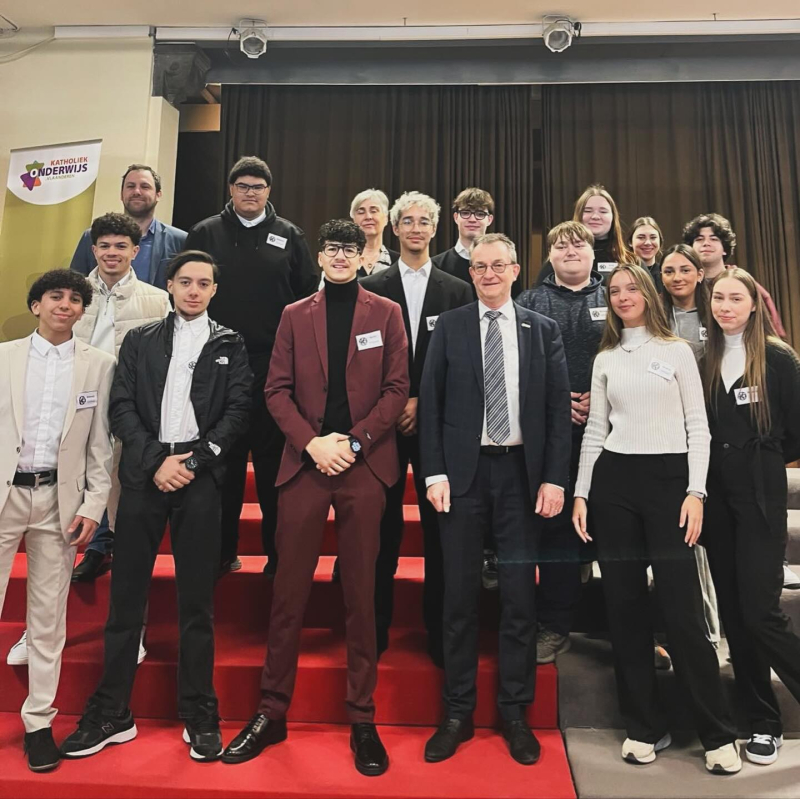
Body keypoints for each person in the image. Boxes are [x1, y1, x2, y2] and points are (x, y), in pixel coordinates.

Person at [221, 220, 409, 776]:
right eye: (331, 248)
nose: (341, 256)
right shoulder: (294, 314)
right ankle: (271, 710)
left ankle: (363, 716)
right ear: (320, 256)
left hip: (364, 464)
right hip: (305, 463)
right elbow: (275, 389)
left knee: (361, 592)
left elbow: (397, 388)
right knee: (288, 592)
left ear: (362, 257)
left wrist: (353, 442)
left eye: (350, 249)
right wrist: (312, 443)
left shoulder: (387, 313)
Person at [60, 251, 252, 763]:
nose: (194, 290)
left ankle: (199, 711)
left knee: (197, 604)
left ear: (214, 290)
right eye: (185, 281)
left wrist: (194, 461)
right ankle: (111, 712)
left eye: (204, 283)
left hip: (200, 478)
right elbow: (120, 406)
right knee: (125, 601)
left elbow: (238, 411)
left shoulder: (230, 343)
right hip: (144, 476)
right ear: (169, 285)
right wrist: (154, 461)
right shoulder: (140, 340)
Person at [571, 264, 740, 774]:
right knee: (624, 611)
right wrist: (582, 493)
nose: (623, 297)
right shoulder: (605, 357)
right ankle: (643, 727)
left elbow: (697, 427)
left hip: (670, 484)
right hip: (614, 483)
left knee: (683, 613)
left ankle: (718, 734)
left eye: (631, 289)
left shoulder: (678, 352)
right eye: (614, 291)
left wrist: (696, 492)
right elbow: (595, 430)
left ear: (648, 293)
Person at [419, 232, 572, 765]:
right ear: (471, 273)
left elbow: (556, 411)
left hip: (521, 478)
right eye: (479, 266)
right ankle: (457, 711)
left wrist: (554, 479)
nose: (488, 274)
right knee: (458, 598)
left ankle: (515, 712)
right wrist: (434, 472)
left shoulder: (542, 329)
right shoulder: (450, 325)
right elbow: (431, 404)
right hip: (462, 476)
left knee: (519, 599)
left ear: (514, 270)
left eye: (497, 265)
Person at [6, 213, 170, 670]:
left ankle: (132, 631)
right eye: (104, 245)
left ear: (136, 251)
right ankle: (35, 633)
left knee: (131, 541)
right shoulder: (71, 296)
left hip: (131, 436)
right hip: (69, 439)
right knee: (48, 552)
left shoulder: (158, 300)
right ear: (93, 249)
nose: (112, 253)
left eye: (121, 245)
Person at [0, 270, 114, 772]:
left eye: (75, 299)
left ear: (83, 311)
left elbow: (102, 443)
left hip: (59, 503)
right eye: (55, 297)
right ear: (36, 305)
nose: (65, 305)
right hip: (4, 496)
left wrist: (94, 505)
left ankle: (39, 723)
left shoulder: (99, 365)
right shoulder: (4, 357)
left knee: (48, 620)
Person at [185, 156, 318, 577]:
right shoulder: (205, 233)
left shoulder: (290, 235)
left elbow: (307, 298)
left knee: (272, 466)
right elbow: (188, 291)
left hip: (272, 365)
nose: (250, 192)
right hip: (215, 364)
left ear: (268, 191)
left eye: (258, 186)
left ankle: (277, 558)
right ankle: (221, 554)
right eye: (242, 185)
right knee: (220, 464)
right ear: (231, 189)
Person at [361, 191, 473, 667]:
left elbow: (463, 359)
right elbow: (364, 359)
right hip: (383, 424)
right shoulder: (371, 286)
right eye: (406, 221)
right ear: (394, 228)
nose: (415, 228)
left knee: (440, 532)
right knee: (381, 531)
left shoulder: (458, 289)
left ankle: (440, 636)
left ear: (434, 228)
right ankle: (374, 630)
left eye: (423, 221)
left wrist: (422, 399)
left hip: (438, 423)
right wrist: (396, 402)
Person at [701, 268, 800, 766]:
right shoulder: (703, 358)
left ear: (754, 304)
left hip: (760, 489)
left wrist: (762, 459)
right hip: (716, 496)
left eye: (735, 298)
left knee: (761, 613)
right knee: (736, 618)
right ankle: (763, 723)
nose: (725, 306)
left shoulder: (778, 358)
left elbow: (796, 432)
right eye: (718, 297)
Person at [517, 221, 605, 665]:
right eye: (561, 245)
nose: (570, 250)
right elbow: (512, 365)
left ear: (593, 252)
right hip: (550, 437)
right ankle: (553, 625)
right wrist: (556, 401)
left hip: (610, 433)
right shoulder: (529, 301)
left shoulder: (616, 296)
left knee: (612, 534)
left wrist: (599, 398)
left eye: (578, 244)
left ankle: (631, 633)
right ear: (549, 256)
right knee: (557, 532)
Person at [659, 243, 721, 649]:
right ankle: (683, 631)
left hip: (712, 423)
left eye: (685, 269)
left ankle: (710, 630)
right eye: (669, 271)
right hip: (668, 431)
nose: (677, 277)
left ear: (700, 274)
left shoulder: (716, 313)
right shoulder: (654, 315)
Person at [70, 164, 187, 289]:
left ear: (158, 195)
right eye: (131, 186)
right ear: (121, 195)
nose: (137, 192)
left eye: (145, 186)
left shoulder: (180, 240)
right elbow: (74, 285)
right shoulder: (91, 236)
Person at [682, 213, 786, 339]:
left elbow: (771, 331)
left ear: (724, 248)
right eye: (699, 239)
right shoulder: (683, 285)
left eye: (714, 239)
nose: (706, 243)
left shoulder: (742, 283)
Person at [536, 184, 634, 286]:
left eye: (603, 211)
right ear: (578, 215)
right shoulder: (560, 259)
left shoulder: (632, 261)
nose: (595, 216)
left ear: (613, 217)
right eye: (587, 211)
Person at [432, 187, 494, 290]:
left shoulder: (503, 264)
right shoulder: (436, 266)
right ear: (456, 217)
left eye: (480, 214)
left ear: (489, 220)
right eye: (465, 213)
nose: (472, 219)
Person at [350, 189, 399, 277]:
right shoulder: (344, 258)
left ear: (386, 218)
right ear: (353, 220)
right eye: (361, 212)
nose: (368, 217)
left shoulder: (398, 262)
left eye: (373, 211)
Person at [628, 216, 664, 293]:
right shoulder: (624, 272)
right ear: (630, 242)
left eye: (653, 237)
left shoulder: (665, 272)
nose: (648, 243)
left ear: (660, 241)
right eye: (641, 237)